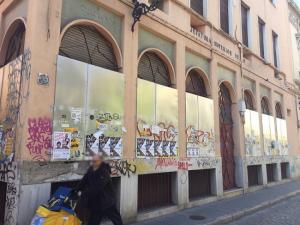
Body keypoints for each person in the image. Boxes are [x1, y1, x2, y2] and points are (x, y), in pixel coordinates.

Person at [72, 153, 123, 225]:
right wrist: (76, 189)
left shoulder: (104, 171)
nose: (93, 162)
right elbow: (85, 179)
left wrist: (84, 193)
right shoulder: (92, 169)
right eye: (93, 161)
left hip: (106, 201)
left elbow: (97, 187)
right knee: (94, 219)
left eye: (95, 161)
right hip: (96, 202)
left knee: (115, 218)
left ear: (100, 161)